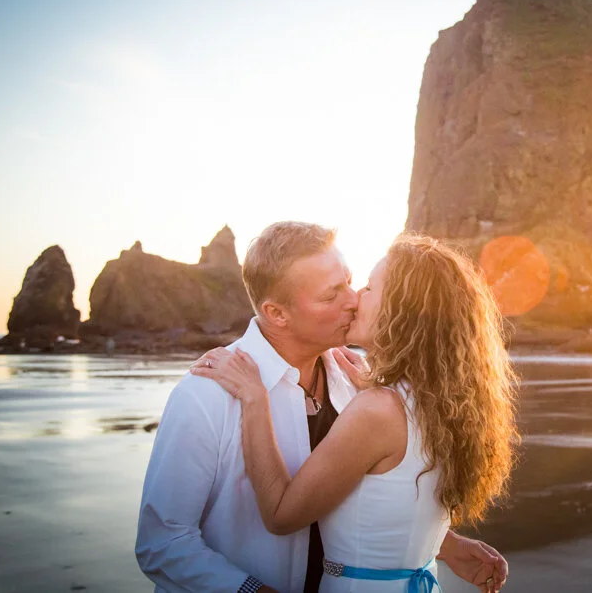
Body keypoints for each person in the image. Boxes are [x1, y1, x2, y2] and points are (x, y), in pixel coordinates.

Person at [136, 222, 511, 593]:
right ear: (277, 313)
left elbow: (357, 499)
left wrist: (441, 544)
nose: (352, 300)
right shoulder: (208, 392)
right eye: (332, 295)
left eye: (350, 282)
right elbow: (162, 543)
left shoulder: (357, 381)